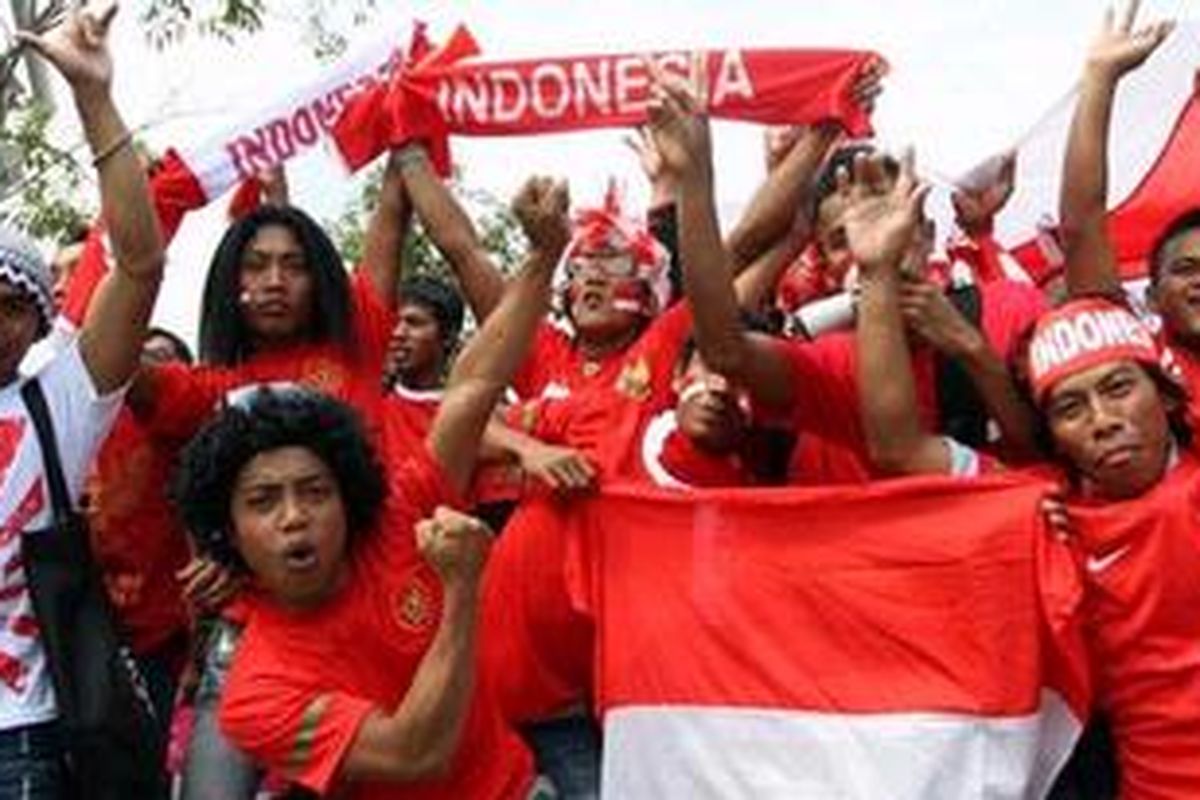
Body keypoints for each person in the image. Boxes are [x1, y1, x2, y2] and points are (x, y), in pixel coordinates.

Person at [170, 175, 570, 798]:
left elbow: (473, 387)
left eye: (315, 491)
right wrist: (462, 588)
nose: (295, 517)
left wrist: (544, 256)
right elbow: (416, 754)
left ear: (349, 494)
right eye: (263, 501)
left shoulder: (399, 513)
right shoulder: (254, 692)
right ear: (228, 528)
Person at [648, 53, 1042, 487]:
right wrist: (694, 181)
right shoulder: (830, 363)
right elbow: (723, 350)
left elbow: (1058, 448)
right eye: (840, 241)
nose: (867, 244)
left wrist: (972, 349)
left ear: (927, 234)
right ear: (826, 267)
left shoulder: (1010, 309)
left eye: (892, 219)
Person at [0, 0, 166, 792]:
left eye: (8, 303)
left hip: (24, 740)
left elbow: (137, 266)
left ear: (38, 319)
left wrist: (94, 100)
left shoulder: (56, 404)